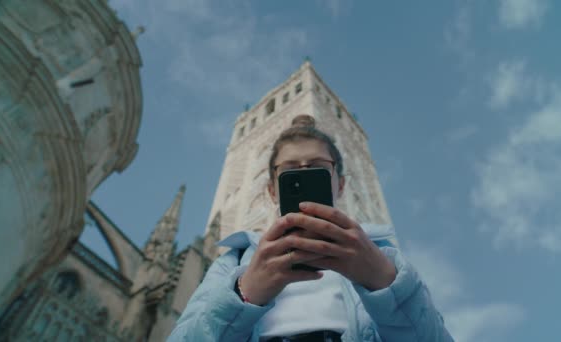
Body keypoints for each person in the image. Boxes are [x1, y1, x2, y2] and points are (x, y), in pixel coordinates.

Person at [168, 116, 453, 341]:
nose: (303, 171)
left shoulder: (383, 256)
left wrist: (385, 284)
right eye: (291, 169)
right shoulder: (233, 261)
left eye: (316, 166)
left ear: (340, 184)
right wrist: (245, 293)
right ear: (271, 190)